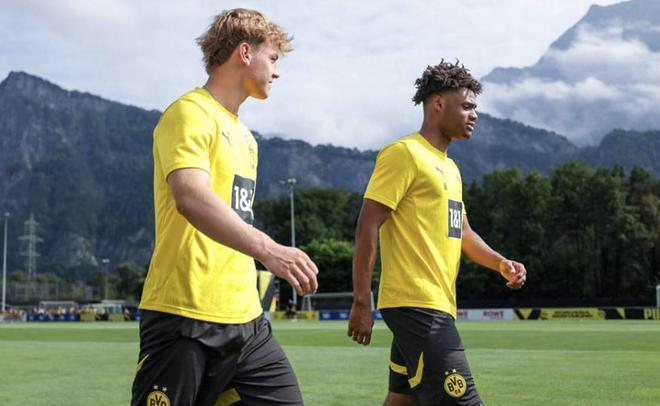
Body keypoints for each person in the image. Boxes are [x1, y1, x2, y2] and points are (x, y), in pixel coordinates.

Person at [131, 9, 319, 406]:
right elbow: (190, 197)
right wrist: (270, 250)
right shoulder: (189, 113)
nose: (277, 72)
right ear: (245, 53)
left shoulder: (247, 138)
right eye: (273, 58)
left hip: (248, 322)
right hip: (185, 315)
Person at [347, 60, 527, 406]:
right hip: (415, 304)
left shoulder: (451, 169)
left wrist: (500, 262)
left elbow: (463, 233)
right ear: (439, 104)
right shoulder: (404, 154)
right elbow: (367, 224)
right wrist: (361, 301)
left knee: (403, 401)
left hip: (436, 304)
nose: (474, 115)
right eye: (467, 106)